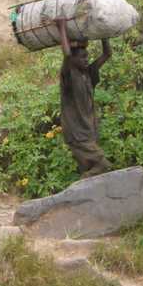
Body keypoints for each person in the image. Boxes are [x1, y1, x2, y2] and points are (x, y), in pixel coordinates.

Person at [53, 14, 112, 178]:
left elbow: (107, 54)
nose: (86, 60)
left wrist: (103, 32)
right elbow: (67, 56)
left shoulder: (88, 74)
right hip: (77, 132)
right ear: (73, 61)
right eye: (82, 57)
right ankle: (81, 189)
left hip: (88, 131)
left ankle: (84, 195)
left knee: (89, 170)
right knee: (101, 163)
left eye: (87, 56)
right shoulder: (68, 75)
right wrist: (62, 28)